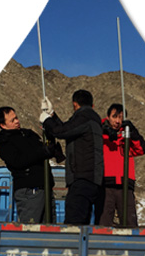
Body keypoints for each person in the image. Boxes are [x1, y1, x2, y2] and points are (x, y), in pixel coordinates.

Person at [39, 90, 103, 225]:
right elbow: (67, 128)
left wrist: (47, 120)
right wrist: (52, 115)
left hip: (82, 178)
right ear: (92, 105)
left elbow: (61, 131)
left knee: (74, 222)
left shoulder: (84, 118)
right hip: (91, 178)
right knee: (83, 223)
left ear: (75, 104)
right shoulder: (91, 119)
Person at [0, 106, 63, 223]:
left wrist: (50, 144)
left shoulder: (28, 134)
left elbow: (42, 149)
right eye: (12, 120)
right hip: (29, 190)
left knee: (50, 228)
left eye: (16, 118)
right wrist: (42, 152)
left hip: (45, 186)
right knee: (32, 228)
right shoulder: (5, 141)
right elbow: (18, 161)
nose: (17, 121)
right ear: (3, 125)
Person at [97, 103, 145, 227]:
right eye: (114, 117)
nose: (117, 121)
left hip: (125, 185)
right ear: (108, 117)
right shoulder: (100, 133)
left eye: (120, 117)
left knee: (130, 222)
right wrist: (105, 131)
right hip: (105, 184)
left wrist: (133, 132)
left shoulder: (127, 136)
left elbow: (141, 149)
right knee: (103, 223)